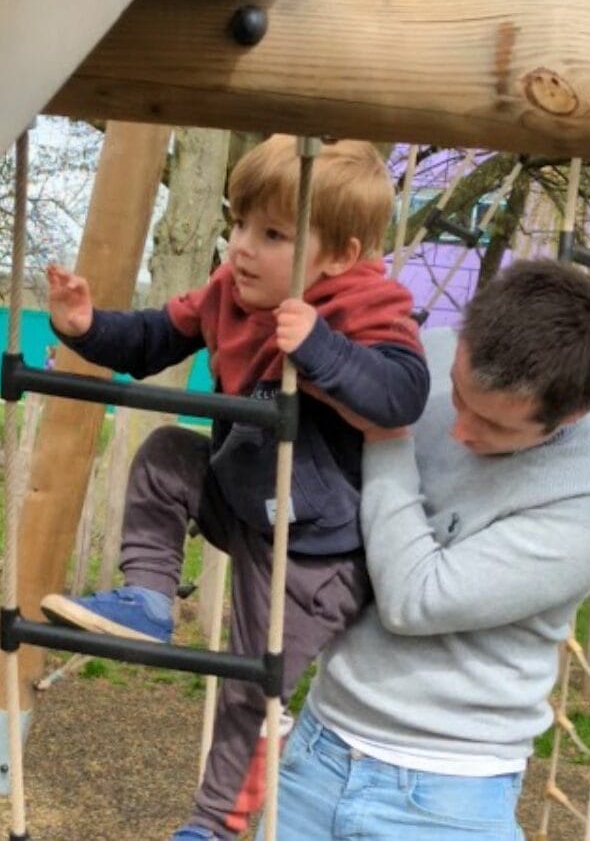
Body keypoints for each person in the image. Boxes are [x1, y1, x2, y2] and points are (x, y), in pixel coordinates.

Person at [39, 135, 430, 841]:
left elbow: (401, 395)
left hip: (315, 551)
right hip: (243, 493)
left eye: (272, 233)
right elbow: (158, 335)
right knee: (164, 455)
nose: (241, 247)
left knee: (252, 685)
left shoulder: (364, 302)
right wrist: (87, 328)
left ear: (338, 254)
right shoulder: (233, 290)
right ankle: (149, 598)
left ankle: (213, 827)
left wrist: (319, 347)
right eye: (239, 223)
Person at [261, 258, 590, 840]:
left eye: (494, 426)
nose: (460, 430)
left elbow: (415, 600)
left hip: (446, 796)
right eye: (459, 397)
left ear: (573, 415)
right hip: (317, 748)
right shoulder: (429, 355)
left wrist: (387, 434)